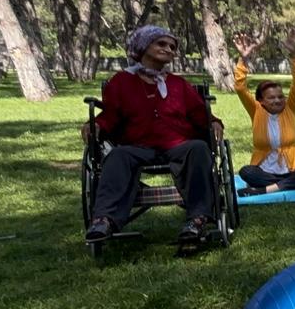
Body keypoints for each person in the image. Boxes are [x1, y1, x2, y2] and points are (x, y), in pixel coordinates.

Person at [83, 25, 222, 244]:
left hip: (178, 143)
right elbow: (110, 115)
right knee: (117, 157)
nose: (168, 49)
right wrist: (96, 126)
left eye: (172, 46)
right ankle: (104, 219)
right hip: (137, 145)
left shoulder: (178, 84)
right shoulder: (121, 82)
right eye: (161, 43)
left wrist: (213, 123)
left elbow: (199, 114)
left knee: (198, 149)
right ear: (143, 45)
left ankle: (197, 219)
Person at [232, 31, 295, 196]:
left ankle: (266, 190)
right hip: (265, 173)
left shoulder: (290, 108)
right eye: (271, 98)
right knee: (246, 172)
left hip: (292, 170)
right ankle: (294, 185)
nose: (277, 100)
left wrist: (294, 54)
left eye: (280, 96)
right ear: (261, 101)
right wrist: (243, 59)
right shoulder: (256, 110)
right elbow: (240, 87)